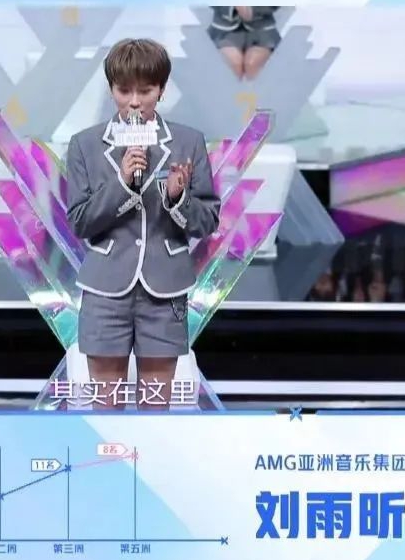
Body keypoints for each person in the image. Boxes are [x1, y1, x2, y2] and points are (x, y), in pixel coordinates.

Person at [65, 38, 221, 411]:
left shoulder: (188, 142)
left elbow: (207, 221)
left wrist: (177, 198)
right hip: (105, 289)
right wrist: (122, 183)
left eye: (145, 91)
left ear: (161, 90)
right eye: (124, 91)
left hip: (165, 289)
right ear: (111, 90)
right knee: (107, 410)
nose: (134, 102)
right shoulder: (85, 145)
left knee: (156, 411)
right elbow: (80, 221)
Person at [208, 7, 281, 81]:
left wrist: (252, 10)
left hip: (262, 28)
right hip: (224, 29)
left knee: (253, 62)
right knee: (233, 62)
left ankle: (258, 87)